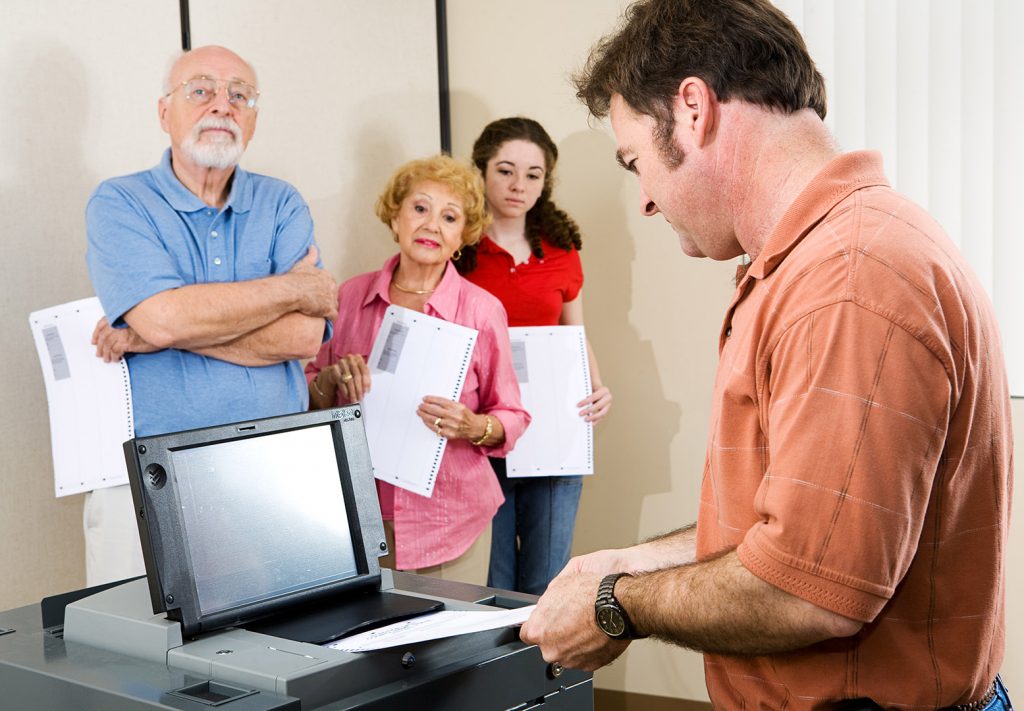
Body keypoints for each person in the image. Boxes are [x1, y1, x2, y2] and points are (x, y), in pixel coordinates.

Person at [519, 1, 1014, 709]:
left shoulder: (848, 277)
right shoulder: (825, 257)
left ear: (693, 110)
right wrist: (626, 561)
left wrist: (617, 603)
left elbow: (807, 589)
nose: (645, 204)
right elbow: (781, 522)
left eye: (636, 163)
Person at [85, 46, 337, 587]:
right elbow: (163, 319)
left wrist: (162, 333)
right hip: (156, 474)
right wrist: (292, 287)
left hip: (273, 472)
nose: (222, 105)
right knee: (147, 660)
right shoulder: (120, 202)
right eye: (200, 90)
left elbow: (302, 336)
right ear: (164, 112)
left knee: (270, 652)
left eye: (239, 94)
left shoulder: (282, 203)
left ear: (253, 116)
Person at [305, 155, 530, 573]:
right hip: (355, 518)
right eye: (420, 208)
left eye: (449, 216)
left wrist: (473, 425)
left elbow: (512, 416)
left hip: (449, 524)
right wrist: (331, 380)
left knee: (446, 640)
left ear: (462, 235)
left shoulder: (482, 310)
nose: (431, 225)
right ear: (395, 218)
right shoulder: (349, 296)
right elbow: (307, 388)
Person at [453, 117, 612, 595]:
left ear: (546, 182)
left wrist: (596, 390)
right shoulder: (457, 246)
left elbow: (574, 333)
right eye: (505, 171)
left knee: (546, 584)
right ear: (480, 171)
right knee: (491, 584)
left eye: (533, 174)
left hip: (553, 432)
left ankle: (538, 671)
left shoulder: (562, 250)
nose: (518, 185)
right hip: (480, 434)